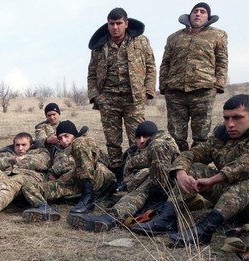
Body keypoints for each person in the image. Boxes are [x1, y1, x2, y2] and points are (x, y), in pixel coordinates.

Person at [131, 94, 249, 247]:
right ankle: (166, 219)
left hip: (243, 195)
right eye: (227, 118)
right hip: (231, 200)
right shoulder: (222, 138)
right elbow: (191, 154)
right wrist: (181, 173)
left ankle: (204, 230)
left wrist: (213, 180)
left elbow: (242, 165)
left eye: (237, 117)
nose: (230, 124)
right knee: (195, 169)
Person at [87, 8, 156, 193]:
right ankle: (118, 176)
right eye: (111, 23)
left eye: (119, 23)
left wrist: (148, 91)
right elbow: (92, 72)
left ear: (126, 23)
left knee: (139, 139)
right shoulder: (100, 46)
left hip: (133, 98)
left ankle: (137, 175)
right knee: (113, 141)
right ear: (107, 24)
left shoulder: (140, 41)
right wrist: (95, 96)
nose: (115, 27)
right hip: (108, 98)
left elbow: (150, 66)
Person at [67, 121, 179, 232]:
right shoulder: (131, 152)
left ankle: (109, 218)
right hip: (138, 190)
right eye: (138, 137)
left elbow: (166, 153)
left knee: (146, 181)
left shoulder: (163, 145)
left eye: (145, 137)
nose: (141, 141)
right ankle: (106, 219)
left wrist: (132, 163)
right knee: (135, 195)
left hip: (163, 188)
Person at [159, 2, 228, 152]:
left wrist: (218, 85)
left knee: (201, 135)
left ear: (208, 17)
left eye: (202, 12)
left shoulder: (218, 35)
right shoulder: (174, 37)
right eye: (195, 11)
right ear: (189, 15)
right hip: (175, 91)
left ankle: (197, 166)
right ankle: (177, 165)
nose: (198, 14)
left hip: (203, 90)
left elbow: (222, 61)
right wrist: (163, 85)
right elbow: (165, 62)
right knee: (176, 135)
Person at [22, 121, 115, 222]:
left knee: (79, 144)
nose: (63, 140)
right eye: (60, 138)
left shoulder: (84, 141)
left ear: (74, 134)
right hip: (71, 181)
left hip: (95, 178)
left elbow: (95, 162)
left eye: (66, 136)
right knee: (28, 187)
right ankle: (45, 209)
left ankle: (88, 197)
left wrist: (54, 171)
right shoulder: (57, 150)